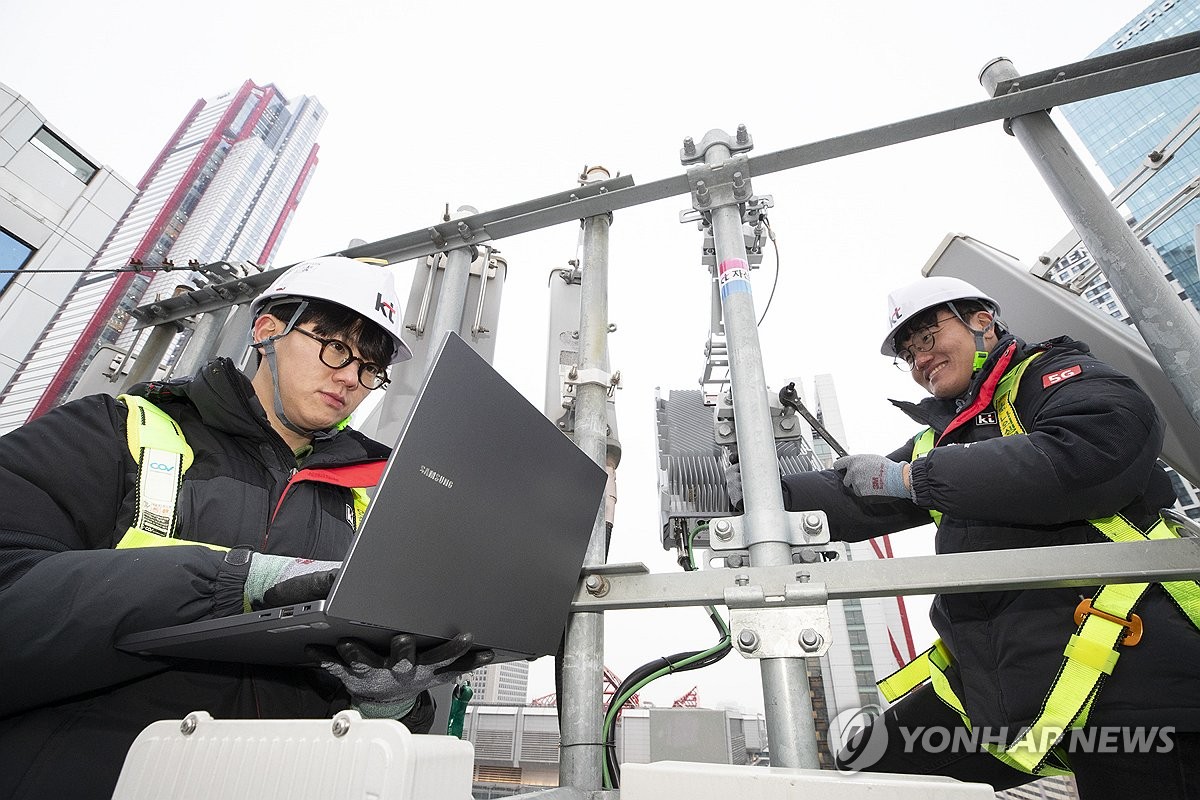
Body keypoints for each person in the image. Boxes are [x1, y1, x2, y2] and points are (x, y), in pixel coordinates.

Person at [0, 256, 492, 799]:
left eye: (370, 369)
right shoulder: (113, 428)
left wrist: (386, 702)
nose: (351, 378)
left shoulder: (363, 502)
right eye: (336, 349)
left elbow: (354, 712)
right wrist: (229, 582)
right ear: (266, 331)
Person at [729, 276, 1200, 797]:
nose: (919, 361)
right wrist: (755, 494)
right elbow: (858, 497)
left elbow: (1092, 454)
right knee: (874, 769)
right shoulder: (949, 437)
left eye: (926, 338)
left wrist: (913, 479)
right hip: (1019, 679)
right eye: (908, 354)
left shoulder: (1056, 378)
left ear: (981, 320)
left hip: (1138, 673)